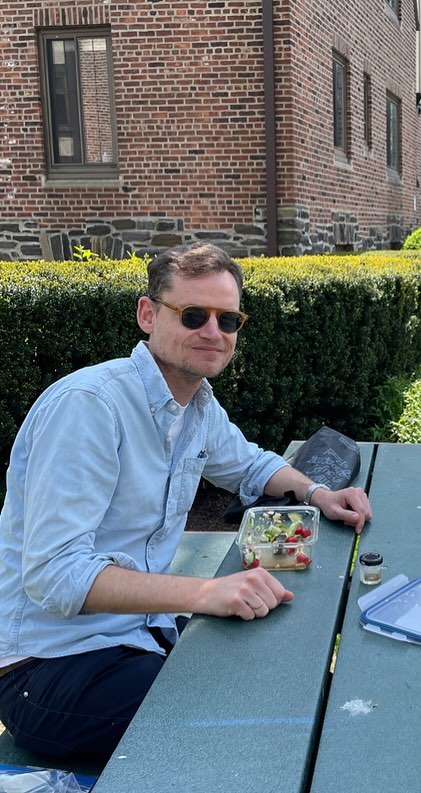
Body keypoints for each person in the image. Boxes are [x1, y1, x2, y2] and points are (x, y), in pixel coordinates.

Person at [0, 242, 372, 758]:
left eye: (228, 320)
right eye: (194, 315)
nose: (213, 332)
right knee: (253, 724)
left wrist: (318, 493)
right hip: (48, 668)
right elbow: (55, 575)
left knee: (266, 670)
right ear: (147, 315)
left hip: (137, 637)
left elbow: (248, 464)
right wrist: (203, 594)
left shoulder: (193, 404)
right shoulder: (89, 408)